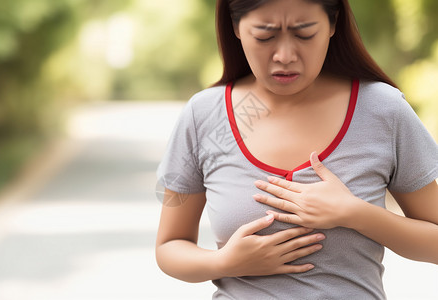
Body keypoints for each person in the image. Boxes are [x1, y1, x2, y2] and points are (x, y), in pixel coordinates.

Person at [155, 0, 438, 298]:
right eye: (265, 36)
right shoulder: (205, 116)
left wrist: (355, 214)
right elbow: (169, 247)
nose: (285, 56)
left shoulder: (383, 110)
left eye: (304, 34)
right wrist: (225, 262)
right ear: (236, 27)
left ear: (332, 24)